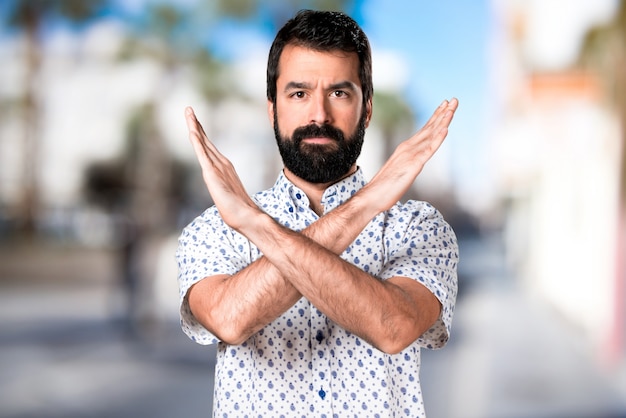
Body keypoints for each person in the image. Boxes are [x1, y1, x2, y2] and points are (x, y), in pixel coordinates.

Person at [177, 9, 459, 417]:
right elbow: (229, 319)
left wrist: (260, 227)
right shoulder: (218, 229)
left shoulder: (418, 227)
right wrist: (361, 206)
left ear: (367, 110)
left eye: (340, 93)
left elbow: (395, 328)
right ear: (272, 109)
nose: (319, 115)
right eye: (299, 93)